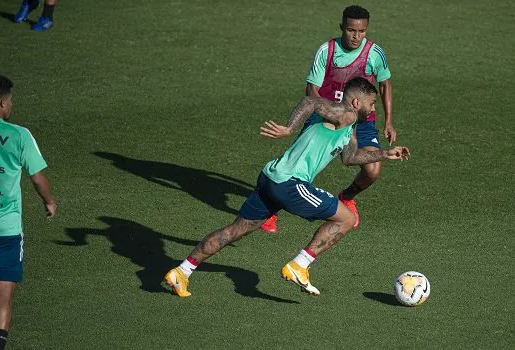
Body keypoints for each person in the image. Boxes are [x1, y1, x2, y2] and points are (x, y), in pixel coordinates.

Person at [164, 77, 409, 297]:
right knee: (346, 219)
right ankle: (299, 265)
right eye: (372, 103)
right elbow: (311, 102)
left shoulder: (349, 127)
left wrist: (385, 155)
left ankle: (182, 271)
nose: (373, 109)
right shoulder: (346, 114)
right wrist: (289, 128)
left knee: (235, 230)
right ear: (356, 103)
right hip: (290, 183)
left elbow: (350, 158)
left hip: (271, 177)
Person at [261, 5, 394, 233]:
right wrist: (330, 114)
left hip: (361, 122)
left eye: (362, 31)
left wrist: (389, 120)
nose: (356, 36)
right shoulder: (327, 51)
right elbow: (312, 90)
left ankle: (347, 196)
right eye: (351, 30)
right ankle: (268, 211)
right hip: (326, 117)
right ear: (342, 27)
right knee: (298, 169)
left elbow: (385, 84)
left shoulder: (375, 53)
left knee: (373, 171)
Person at [0, 75, 56, 349]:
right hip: (5, 230)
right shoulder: (19, 135)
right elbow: (37, 177)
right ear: (2, 104)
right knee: (2, 294)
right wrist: (49, 201)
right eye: (11, 102)